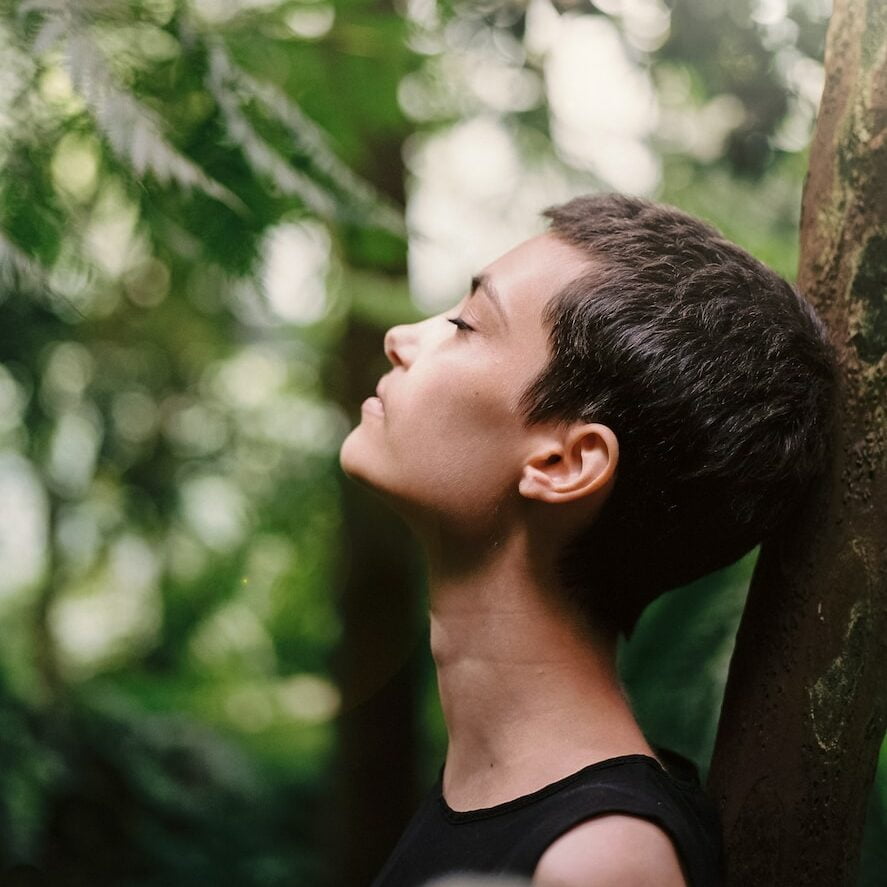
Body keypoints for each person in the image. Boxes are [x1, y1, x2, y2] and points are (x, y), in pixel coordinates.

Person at [338, 194, 836, 887]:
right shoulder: (503, 799)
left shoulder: (600, 862)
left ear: (562, 463)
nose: (400, 336)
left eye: (464, 324)